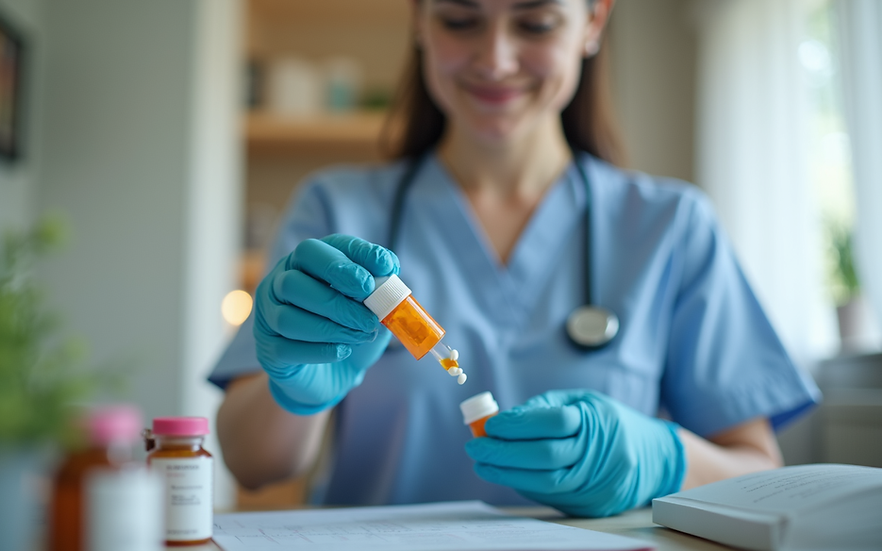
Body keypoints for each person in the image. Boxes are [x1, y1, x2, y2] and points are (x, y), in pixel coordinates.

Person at [209, 0, 819, 517]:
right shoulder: (335, 211)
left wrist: (660, 458)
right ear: (419, 21)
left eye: (535, 24)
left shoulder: (671, 227)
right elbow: (252, 464)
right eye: (459, 19)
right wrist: (296, 390)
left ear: (592, 21)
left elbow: (760, 479)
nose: (495, 59)